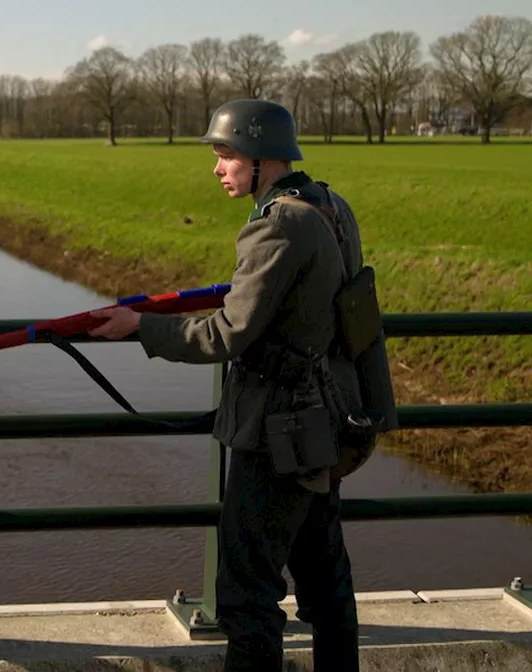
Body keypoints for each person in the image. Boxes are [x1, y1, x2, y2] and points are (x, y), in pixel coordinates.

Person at [87, 99, 394, 670]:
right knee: (326, 582)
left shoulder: (278, 224)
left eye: (226, 154)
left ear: (263, 159)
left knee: (246, 595)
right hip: (326, 423)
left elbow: (227, 335)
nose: (217, 167)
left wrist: (140, 327)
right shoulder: (330, 204)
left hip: (278, 433)